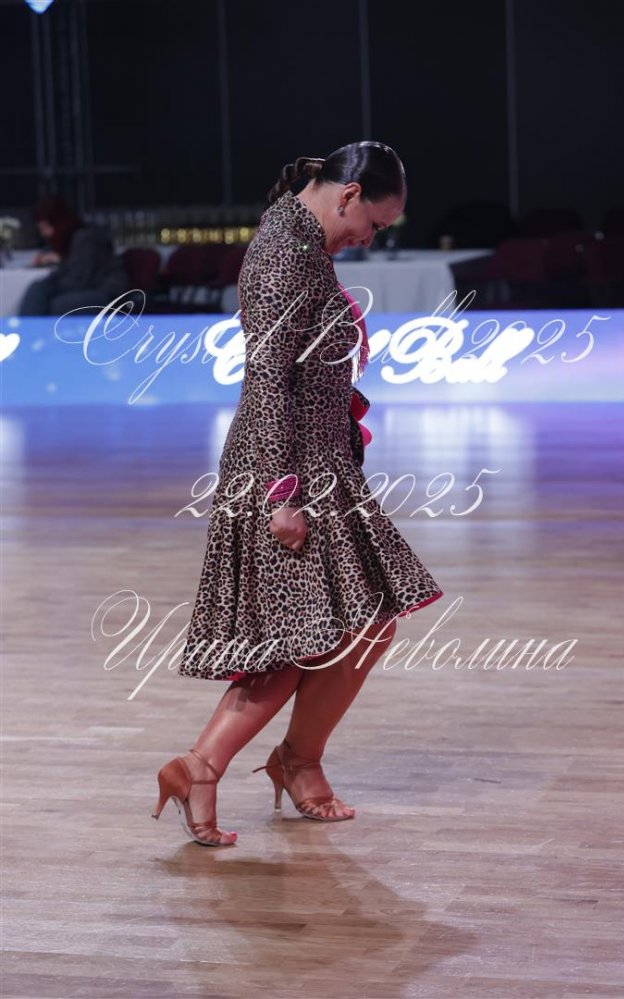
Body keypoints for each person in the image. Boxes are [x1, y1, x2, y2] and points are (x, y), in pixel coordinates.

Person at [152, 141, 444, 846]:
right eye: (374, 224)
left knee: (361, 621)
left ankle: (288, 760)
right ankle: (209, 767)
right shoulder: (285, 253)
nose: (370, 239)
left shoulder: (304, 245)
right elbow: (267, 379)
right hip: (285, 471)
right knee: (298, 638)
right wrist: (282, 494)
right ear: (349, 195)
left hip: (318, 465)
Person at [18, 194, 128, 316]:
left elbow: (81, 279)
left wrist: (51, 285)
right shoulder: (71, 240)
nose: (44, 233)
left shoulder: (86, 239)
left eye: (46, 227)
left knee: (52, 300)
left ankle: (28, 327)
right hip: (93, 287)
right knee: (42, 292)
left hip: (107, 293)